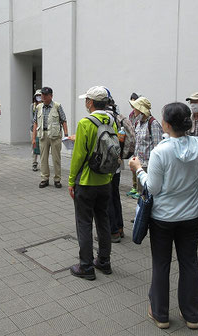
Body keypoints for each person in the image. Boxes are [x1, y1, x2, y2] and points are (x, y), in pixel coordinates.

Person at [129, 102, 198, 330]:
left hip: (163, 217)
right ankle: (191, 315)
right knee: (189, 262)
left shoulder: (160, 151)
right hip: (191, 215)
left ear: (167, 124)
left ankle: (161, 314)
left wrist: (138, 169)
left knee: (161, 264)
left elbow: (152, 188)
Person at [68, 86, 116, 280]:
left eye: (86, 100)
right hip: (105, 180)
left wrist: (71, 181)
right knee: (103, 220)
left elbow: (78, 156)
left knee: (84, 223)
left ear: (90, 102)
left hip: (86, 182)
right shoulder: (112, 121)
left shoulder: (85, 123)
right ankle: (104, 261)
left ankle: (86, 266)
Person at [105, 96, 134, 242]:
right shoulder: (119, 117)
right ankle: (120, 228)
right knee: (115, 195)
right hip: (118, 163)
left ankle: (113, 232)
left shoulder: (105, 118)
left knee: (108, 198)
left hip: (107, 165)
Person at [32, 87, 68, 188]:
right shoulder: (39, 107)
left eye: (45, 95)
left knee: (56, 158)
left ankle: (57, 179)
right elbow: (35, 122)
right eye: (42, 95)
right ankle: (45, 178)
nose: (43, 97)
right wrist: (34, 138)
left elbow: (64, 120)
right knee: (43, 158)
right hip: (43, 135)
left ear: (51, 96)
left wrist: (66, 135)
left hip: (55, 135)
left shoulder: (57, 106)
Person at [130, 96, 163, 198]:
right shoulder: (138, 124)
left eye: (135, 108)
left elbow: (158, 147)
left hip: (149, 166)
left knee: (148, 195)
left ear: (141, 110)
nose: (133, 110)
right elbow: (137, 144)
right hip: (139, 165)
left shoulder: (153, 123)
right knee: (141, 194)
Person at [127, 92, 140, 197]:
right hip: (134, 143)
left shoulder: (141, 115)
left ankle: (139, 189)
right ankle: (134, 186)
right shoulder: (131, 114)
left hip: (141, 147)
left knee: (140, 167)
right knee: (133, 166)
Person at [30, 90, 42, 171]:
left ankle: (44, 163)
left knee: (43, 146)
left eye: (40, 95)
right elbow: (31, 118)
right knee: (34, 145)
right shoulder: (32, 106)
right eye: (37, 95)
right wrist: (35, 124)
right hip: (33, 129)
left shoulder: (44, 105)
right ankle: (34, 163)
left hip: (42, 129)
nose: (38, 97)